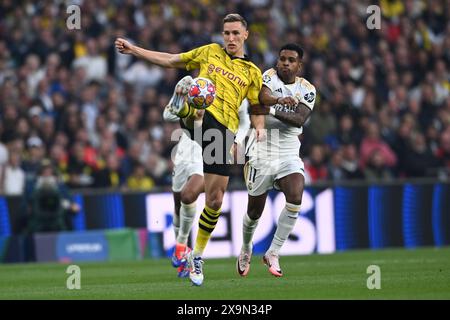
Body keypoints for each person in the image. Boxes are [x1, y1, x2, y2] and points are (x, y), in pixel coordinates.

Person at [116, 13, 264, 286]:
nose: (230, 38)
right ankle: (182, 104)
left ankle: (196, 255)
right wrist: (134, 50)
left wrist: (259, 130)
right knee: (197, 104)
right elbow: (172, 60)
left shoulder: (252, 73)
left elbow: (256, 109)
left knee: (216, 200)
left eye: (235, 33)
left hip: (224, 133)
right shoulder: (209, 52)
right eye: (226, 33)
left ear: (245, 35)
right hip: (203, 118)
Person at [237, 43, 316, 277]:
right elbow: (263, 95)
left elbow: (299, 119)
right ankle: (245, 247)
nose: (285, 63)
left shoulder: (307, 89)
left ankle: (273, 252)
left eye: (291, 60)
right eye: (282, 58)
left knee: (296, 196)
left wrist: (269, 110)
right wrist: (280, 102)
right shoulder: (268, 76)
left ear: (299, 65)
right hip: (262, 149)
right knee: (254, 213)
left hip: (289, 152)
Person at [164, 96, 251, 278]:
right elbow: (168, 114)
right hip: (183, 152)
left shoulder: (235, 93)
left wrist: (236, 142)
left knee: (188, 195)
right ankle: (183, 252)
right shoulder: (193, 88)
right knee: (178, 205)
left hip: (209, 150)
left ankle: (181, 246)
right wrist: (181, 105)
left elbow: (245, 121)